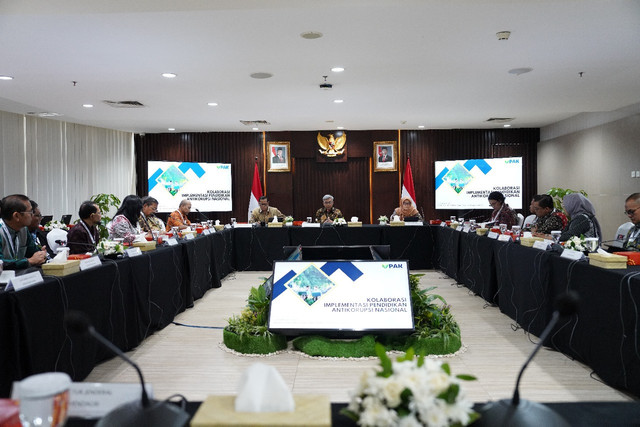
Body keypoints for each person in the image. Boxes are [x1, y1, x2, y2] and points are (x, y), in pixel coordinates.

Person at [0, 194, 47, 269]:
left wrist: (41, 255)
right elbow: (1, 263)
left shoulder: (23, 230)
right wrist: (29, 262)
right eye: (30, 212)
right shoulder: (1, 230)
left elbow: (33, 251)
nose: (32, 215)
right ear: (16, 216)